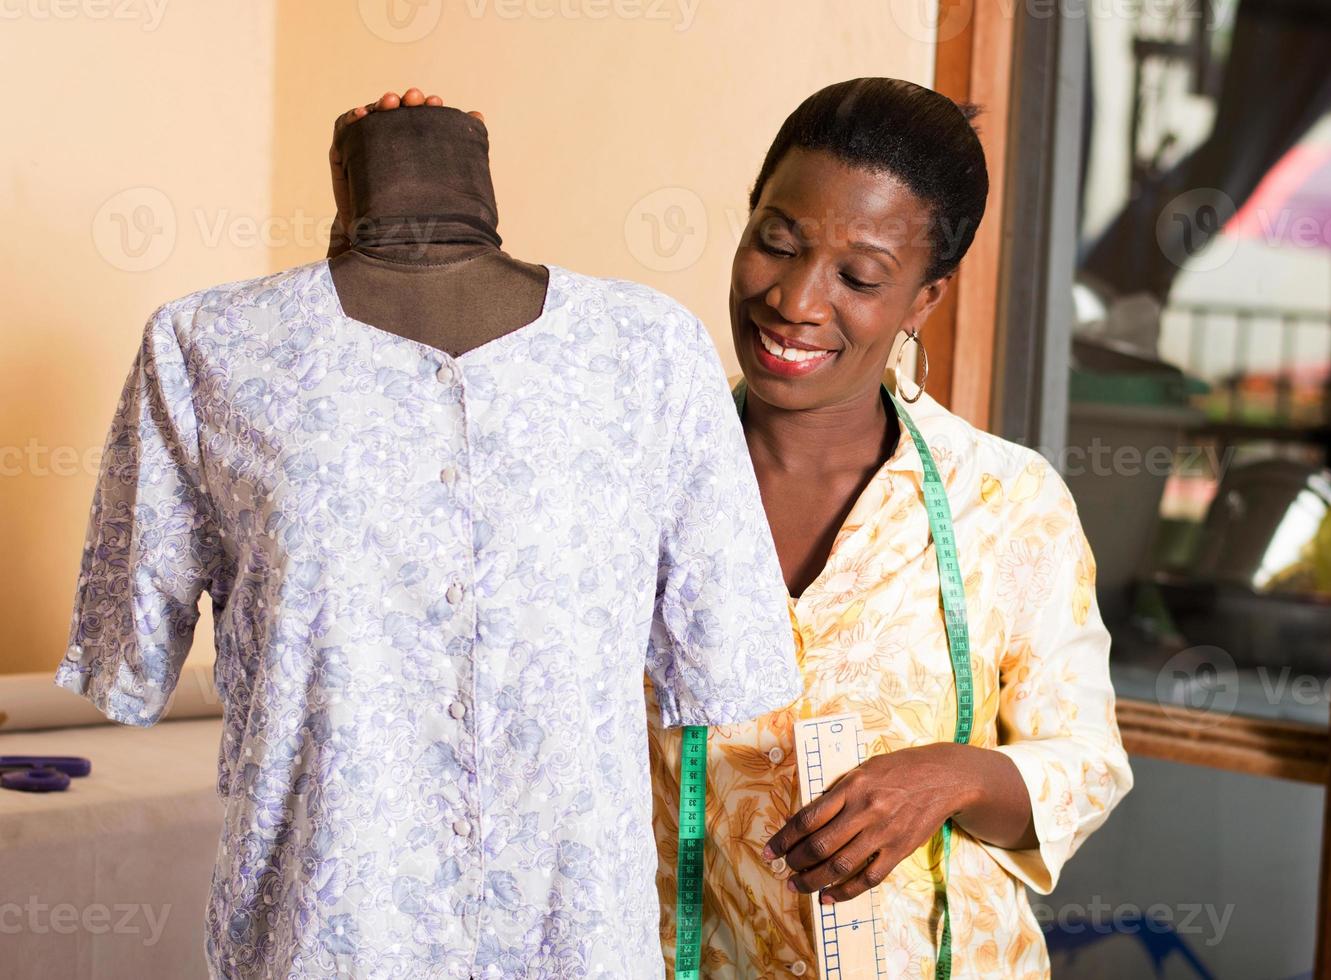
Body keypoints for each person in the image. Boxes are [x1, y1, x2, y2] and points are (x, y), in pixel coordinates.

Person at [346, 81, 1133, 978]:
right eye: (776, 242)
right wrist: (396, 199)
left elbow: (1086, 764)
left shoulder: (1005, 500)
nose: (796, 299)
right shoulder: (620, 479)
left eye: (861, 277)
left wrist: (956, 775)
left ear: (924, 299)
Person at [54, 86, 799, 979]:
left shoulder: (651, 355)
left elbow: (729, 658)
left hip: (572, 937)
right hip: (322, 942)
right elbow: (128, 656)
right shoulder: (206, 348)